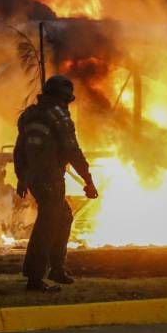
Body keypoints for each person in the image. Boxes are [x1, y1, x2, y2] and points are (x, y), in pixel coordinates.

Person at [15, 75, 98, 292]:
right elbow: (73, 150)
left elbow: (19, 150)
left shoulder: (29, 115)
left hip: (34, 178)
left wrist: (22, 177)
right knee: (47, 225)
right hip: (50, 177)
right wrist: (88, 180)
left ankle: (56, 269)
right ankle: (35, 278)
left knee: (63, 216)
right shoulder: (58, 115)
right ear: (62, 98)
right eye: (66, 101)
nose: (66, 105)